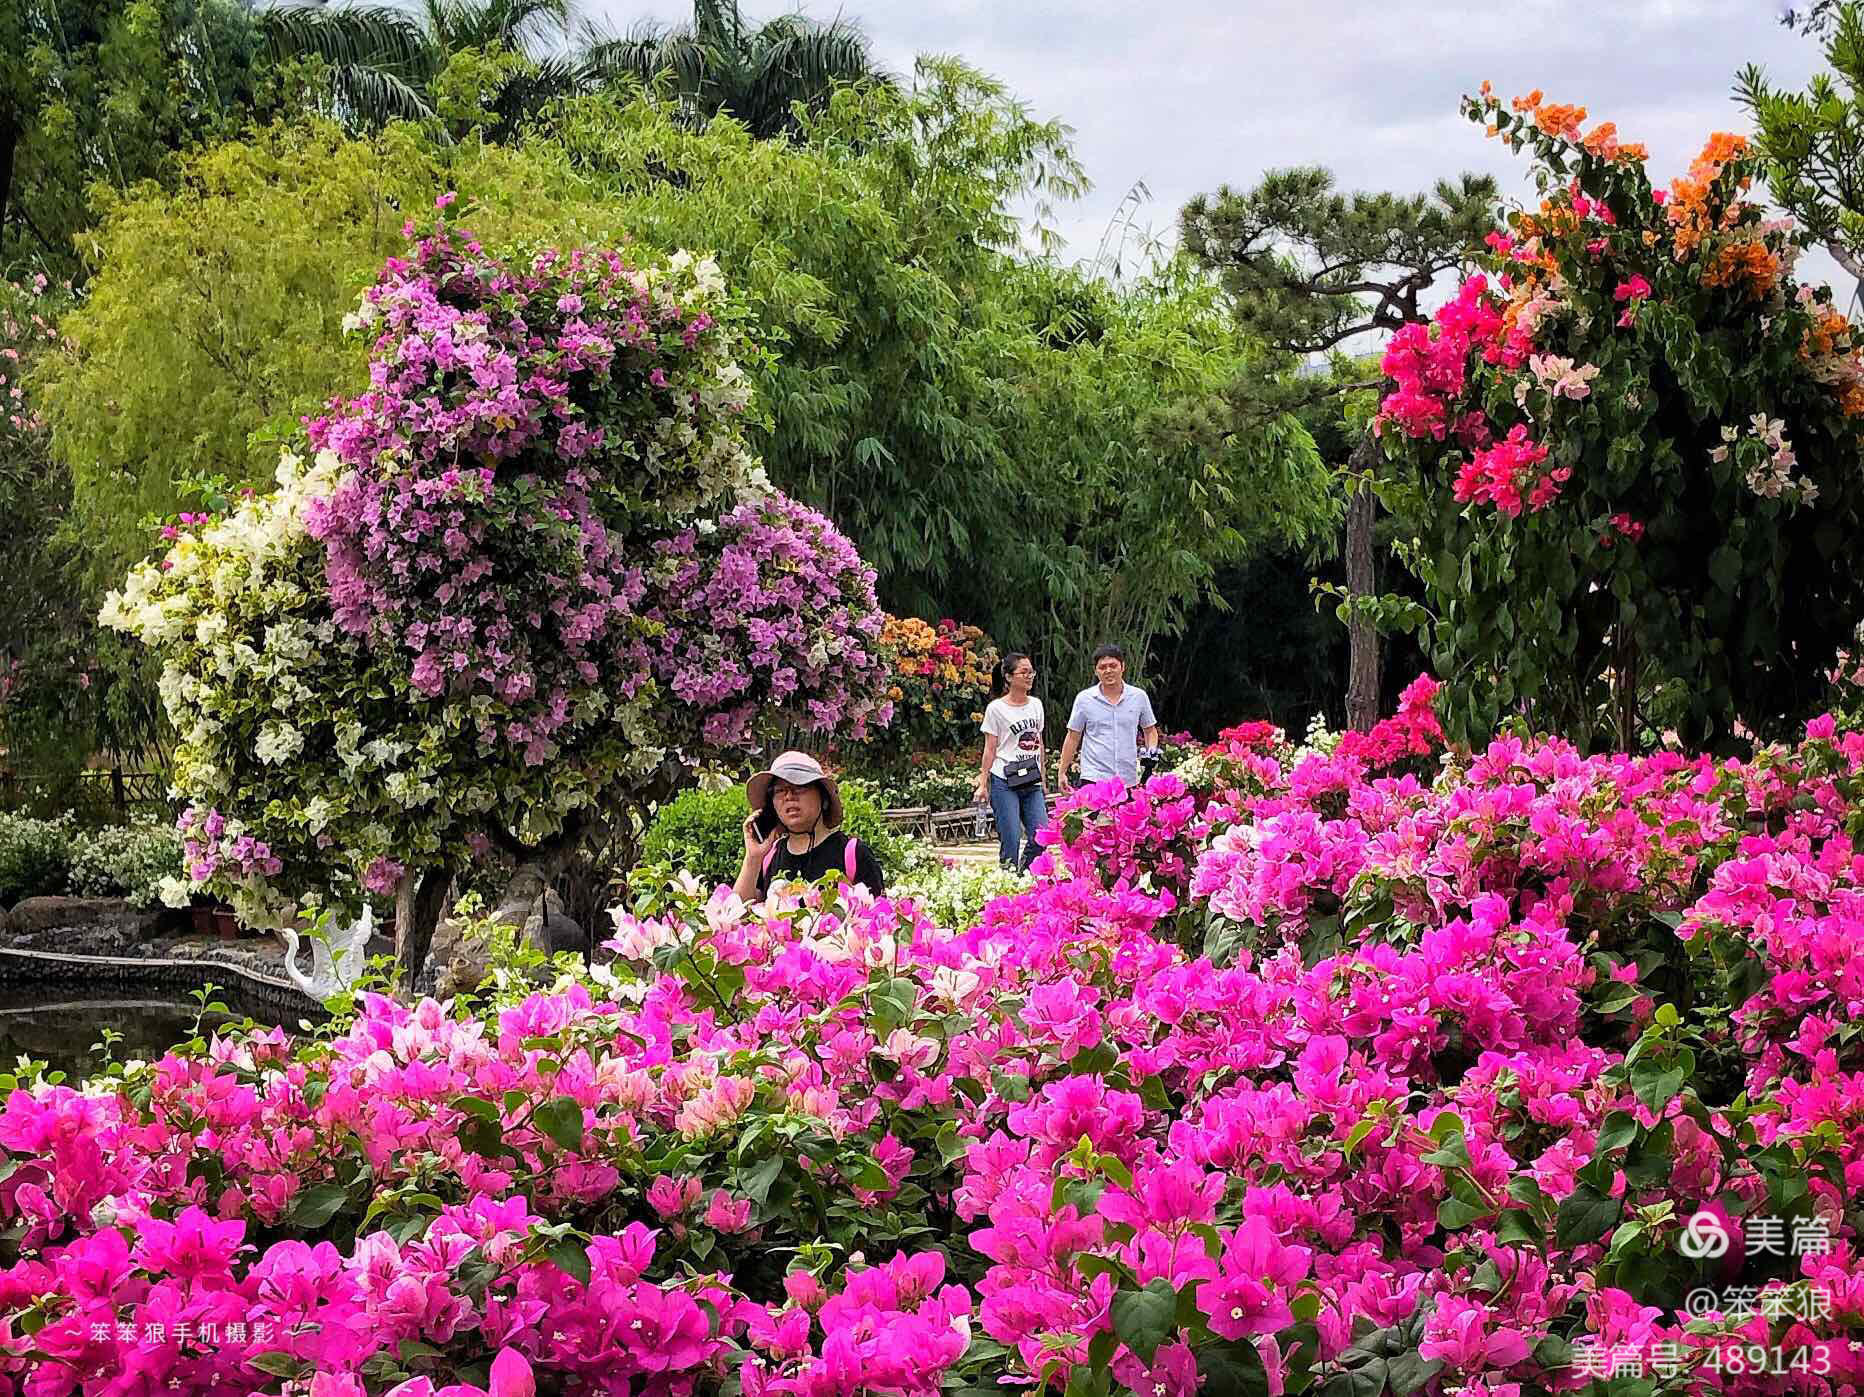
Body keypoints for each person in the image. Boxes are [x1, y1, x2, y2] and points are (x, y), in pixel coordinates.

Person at [732, 750, 885, 902]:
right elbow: (739, 917)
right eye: (780, 790)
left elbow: (877, 916)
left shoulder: (852, 853)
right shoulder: (769, 856)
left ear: (823, 798)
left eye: (799, 787)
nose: (789, 796)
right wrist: (753, 858)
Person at [973, 652, 1047, 871]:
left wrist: (1043, 777)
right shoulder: (996, 709)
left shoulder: (1036, 704)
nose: (1029, 676)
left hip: (1031, 779)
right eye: (1023, 672)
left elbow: (1038, 741)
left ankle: (1024, 872)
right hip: (1004, 779)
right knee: (1011, 838)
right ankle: (1008, 881)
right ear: (1008, 676)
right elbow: (990, 748)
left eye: (1031, 672)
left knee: (1041, 834)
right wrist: (983, 783)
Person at [1055, 643, 1160, 792]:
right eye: (1102, 667)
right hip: (1093, 778)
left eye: (1113, 666)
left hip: (1127, 779)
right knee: (1089, 815)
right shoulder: (1084, 699)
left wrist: (1151, 753)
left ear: (1123, 667)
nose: (1108, 671)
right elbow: (1073, 736)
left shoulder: (1138, 697)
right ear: (1096, 671)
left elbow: (1150, 730)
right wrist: (1062, 772)